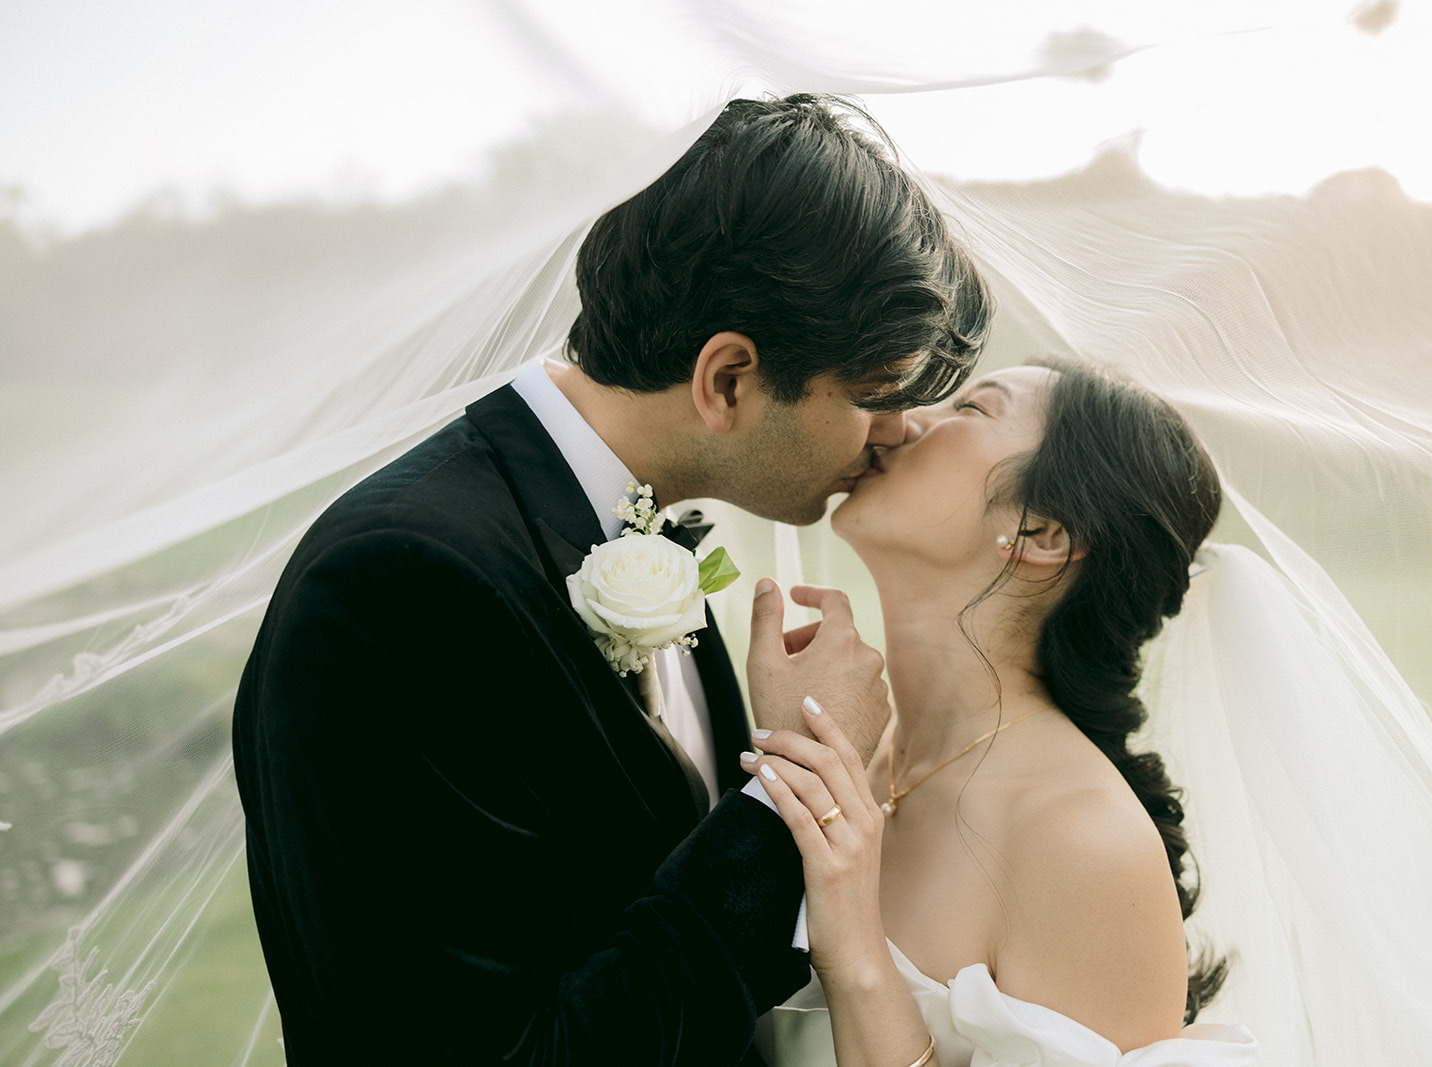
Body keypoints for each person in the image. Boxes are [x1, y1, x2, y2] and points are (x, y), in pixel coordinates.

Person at [231, 93, 991, 1065]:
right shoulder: (397, 588)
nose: (896, 433)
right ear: (726, 381)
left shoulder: (640, 521)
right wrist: (787, 794)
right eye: (872, 397)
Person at [745, 359, 1263, 1065]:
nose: (899, 423)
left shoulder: (1085, 842)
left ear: (1041, 532)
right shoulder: (850, 752)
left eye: (970, 409)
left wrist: (857, 951)